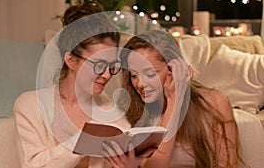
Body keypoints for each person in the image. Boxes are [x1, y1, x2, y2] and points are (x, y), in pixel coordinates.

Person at [14, 1, 154, 168]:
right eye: (99, 65)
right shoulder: (30, 106)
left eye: (111, 67)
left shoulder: (112, 111)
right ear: (71, 61)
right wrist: (82, 140)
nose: (107, 75)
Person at [106, 29, 249, 168]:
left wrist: (177, 98)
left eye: (150, 74)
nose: (139, 84)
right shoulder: (134, 112)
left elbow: (227, 164)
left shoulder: (214, 102)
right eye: (134, 75)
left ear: (175, 70)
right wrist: (174, 101)